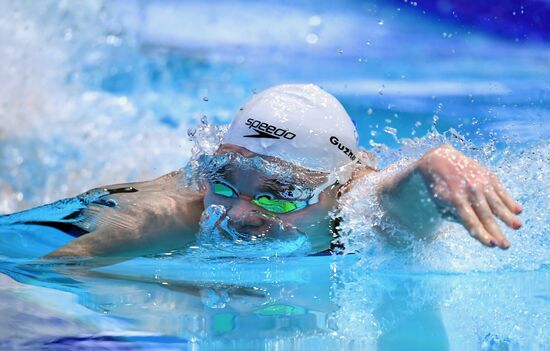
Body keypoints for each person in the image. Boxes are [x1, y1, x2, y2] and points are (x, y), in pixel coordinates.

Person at [33, 84, 521, 262]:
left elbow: (397, 199)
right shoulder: (175, 214)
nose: (241, 215)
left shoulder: (351, 208)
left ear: (337, 189)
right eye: (225, 181)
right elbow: (33, 271)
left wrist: (431, 167)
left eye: (279, 194)